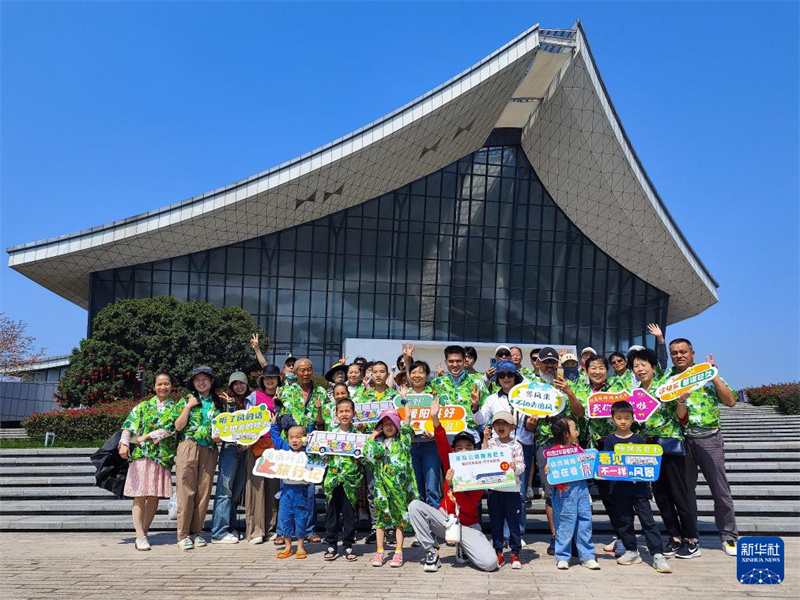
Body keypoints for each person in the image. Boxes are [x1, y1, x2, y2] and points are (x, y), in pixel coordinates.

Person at [409, 398, 497, 573]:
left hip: (468, 525)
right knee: (414, 506)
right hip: (445, 520)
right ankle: (431, 551)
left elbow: (467, 505)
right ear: (454, 451)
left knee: (490, 564)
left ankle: (463, 546)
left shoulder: (479, 473)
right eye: (459, 448)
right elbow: (441, 443)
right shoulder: (451, 463)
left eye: (468, 447)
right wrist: (435, 418)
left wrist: (453, 485)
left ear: (474, 450)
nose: (463, 451)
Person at [624, 348, 698, 560]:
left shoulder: (666, 387)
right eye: (636, 366)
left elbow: (681, 416)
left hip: (670, 445)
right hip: (649, 450)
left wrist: (682, 402)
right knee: (662, 497)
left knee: (679, 494)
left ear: (653, 366)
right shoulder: (636, 393)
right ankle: (674, 537)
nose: (640, 369)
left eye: (643, 364)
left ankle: (692, 539)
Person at [669, 338, 738, 556]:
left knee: (720, 489)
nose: (679, 356)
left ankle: (728, 536)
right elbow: (675, 414)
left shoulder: (706, 374)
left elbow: (730, 401)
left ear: (692, 353)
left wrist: (715, 376)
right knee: (686, 492)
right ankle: (692, 536)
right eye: (674, 353)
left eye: (683, 351)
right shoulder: (670, 380)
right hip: (683, 439)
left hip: (709, 438)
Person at [604, 400, 672, 573]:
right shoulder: (610, 440)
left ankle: (658, 555)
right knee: (624, 521)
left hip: (639, 489)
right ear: (612, 419)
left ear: (633, 419)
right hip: (619, 488)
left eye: (627, 418)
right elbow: (608, 463)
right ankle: (631, 550)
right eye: (619, 418)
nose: (623, 421)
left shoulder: (639, 439)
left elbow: (647, 463)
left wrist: (638, 475)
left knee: (648, 521)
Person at [472, 360, 535, 545]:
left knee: (519, 493)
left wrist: (533, 424)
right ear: (497, 378)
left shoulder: (527, 395)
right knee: (499, 491)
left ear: (516, 376)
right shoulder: (492, 399)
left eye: (509, 374)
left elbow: (534, 420)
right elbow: (480, 420)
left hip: (521, 444)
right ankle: (501, 536)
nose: (506, 378)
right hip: (498, 448)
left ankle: (517, 533)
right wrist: (475, 406)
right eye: (501, 375)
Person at [118, 372, 181, 551]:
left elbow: (173, 429)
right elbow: (129, 423)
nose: (163, 387)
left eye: (166, 384)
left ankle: (144, 533)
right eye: (159, 384)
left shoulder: (176, 408)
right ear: (154, 387)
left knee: (154, 496)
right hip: (142, 456)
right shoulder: (144, 406)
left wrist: (151, 435)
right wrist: (123, 442)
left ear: (171, 386)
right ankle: (139, 534)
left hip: (162, 457)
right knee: (140, 495)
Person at [276, 358, 328, 544]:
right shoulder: (286, 390)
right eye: (302, 370)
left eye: (309, 369)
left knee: (309, 489)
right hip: (291, 446)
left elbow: (324, 422)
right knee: (287, 490)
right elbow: (281, 417)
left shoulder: (322, 392)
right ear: (295, 372)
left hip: (312, 448)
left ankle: (308, 530)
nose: (306, 373)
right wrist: (299, 434)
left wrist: (319, 418)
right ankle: (283, 531)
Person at [173, 366, 222, 550]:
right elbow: (178, 426)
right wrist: (188, 406)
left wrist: (219, 438)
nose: (201, 382)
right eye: (197, 379)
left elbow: (222, 428)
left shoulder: (218, 403)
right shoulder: (186, 400)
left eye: (205, 379)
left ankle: (197, 532)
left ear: (211, 381)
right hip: (189, 445)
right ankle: (182, 535)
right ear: (193, 383)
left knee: (203, 491)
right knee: (186, 490)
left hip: (209, 447)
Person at [532, 347, 575, 555]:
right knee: (551, 493)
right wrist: (531, 423)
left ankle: (572, 536)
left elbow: (580, 413)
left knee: (570, 491)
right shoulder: (530, 388)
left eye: (552, 362)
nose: (549, 365)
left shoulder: (568, 383)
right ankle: (556, 536)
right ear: (537, 364)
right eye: (545, 362)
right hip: (545, 446)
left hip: (568, 445)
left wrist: (569, 392)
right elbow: (528, 427)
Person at [363, 408, 418, 567]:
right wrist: (372, 437)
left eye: (391, 423)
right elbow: (368, 455)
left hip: (399, 489)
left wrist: (404, 399)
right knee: (381, 520)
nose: (388, 426)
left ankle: (399, 551)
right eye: (385, 424)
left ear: (397, 425)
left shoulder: (403, 441)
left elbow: (407, 420)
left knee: (399, 519)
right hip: (381, 488)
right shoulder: (378, 443)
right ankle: (380, 551)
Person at [545, 416, 600, 570]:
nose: (577, 431)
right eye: (574, 428)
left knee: (585, 521)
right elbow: (551, 476)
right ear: (566, 434)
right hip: (564, 492)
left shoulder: (580, 450)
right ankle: (562, 556)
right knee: (564, 523)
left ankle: (587, 556)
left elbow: (589, 467)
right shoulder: (553, 453)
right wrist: (548, 470)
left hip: (581, 490)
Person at [210, 371, 252, 544]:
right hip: (230, 449)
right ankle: (219, 532)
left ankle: (231, 527)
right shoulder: (223, 400)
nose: (239, 386)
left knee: (236, 492)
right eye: (235, 384)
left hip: (246, 450)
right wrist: (228, 405)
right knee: (224, 490)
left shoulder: (251, 401)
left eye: (241, 383)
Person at [323, 391, 365, 562]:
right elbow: (319, 455)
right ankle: (331, 544)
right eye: (341, 411)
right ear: (336, 414)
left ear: (354, 414)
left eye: (348, 411)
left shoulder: (359, 437)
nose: (344, 414)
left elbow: (365, 458)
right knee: (332, 514)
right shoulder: (329, 434)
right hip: (332, 480)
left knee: (348, 514)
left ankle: (348, 545)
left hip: (351, 481)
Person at [244, 365, 282, 545]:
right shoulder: (253, 397)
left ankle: (270, 528)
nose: (270, 380)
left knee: (273, 489)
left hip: (276, 447)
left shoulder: (285, 397)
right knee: (256, 489)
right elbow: (246, 421)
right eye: (267, 377)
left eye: (273, 377)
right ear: (261, 380)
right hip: (257, 447)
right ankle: (255, 530)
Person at [484, 411, 526, 569]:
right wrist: (485, 438)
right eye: (497, 424)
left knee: (514, 524)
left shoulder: (516, 445)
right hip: (495, 490)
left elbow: (522, 466)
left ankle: (515, 553)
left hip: (512, 491)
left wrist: (515, 468)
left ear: (512, 426)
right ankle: (498, 551)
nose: (500, 427)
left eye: (504, 423)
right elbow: (484, 458)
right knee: (496, 523)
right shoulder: (492, 443)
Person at [267, 417, 313, 560]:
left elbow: (312, 435)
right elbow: (276, 439)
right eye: (291, 437)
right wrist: (274, 425)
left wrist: (311, 425)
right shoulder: (285, 449)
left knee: (301, 519)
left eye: (298, 437)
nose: (294, 440)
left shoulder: (308, 452)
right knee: (285, 518)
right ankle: (288, 547)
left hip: (301, 491)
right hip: (286, 491)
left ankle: (300, 547)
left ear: (304, 439)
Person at [404, 360, 442, 511]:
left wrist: (434, 432)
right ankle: (418, 524)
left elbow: (443, 416)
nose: (417, 375)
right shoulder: (402, 395)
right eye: (413, 372)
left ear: (427, 375)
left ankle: (434, 524)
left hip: (431, 444)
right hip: (410, 445)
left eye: (421, 372)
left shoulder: (435, 394)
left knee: (432, 487)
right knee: (415, 486)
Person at [431, 345, 486, 445]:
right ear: (446, 362)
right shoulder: (437, 383)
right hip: (444, 440)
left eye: (458, 361)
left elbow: (486, 411)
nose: (455, 364)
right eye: (451, 361)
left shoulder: (477, 383)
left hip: (471, 439)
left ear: (464, 361)